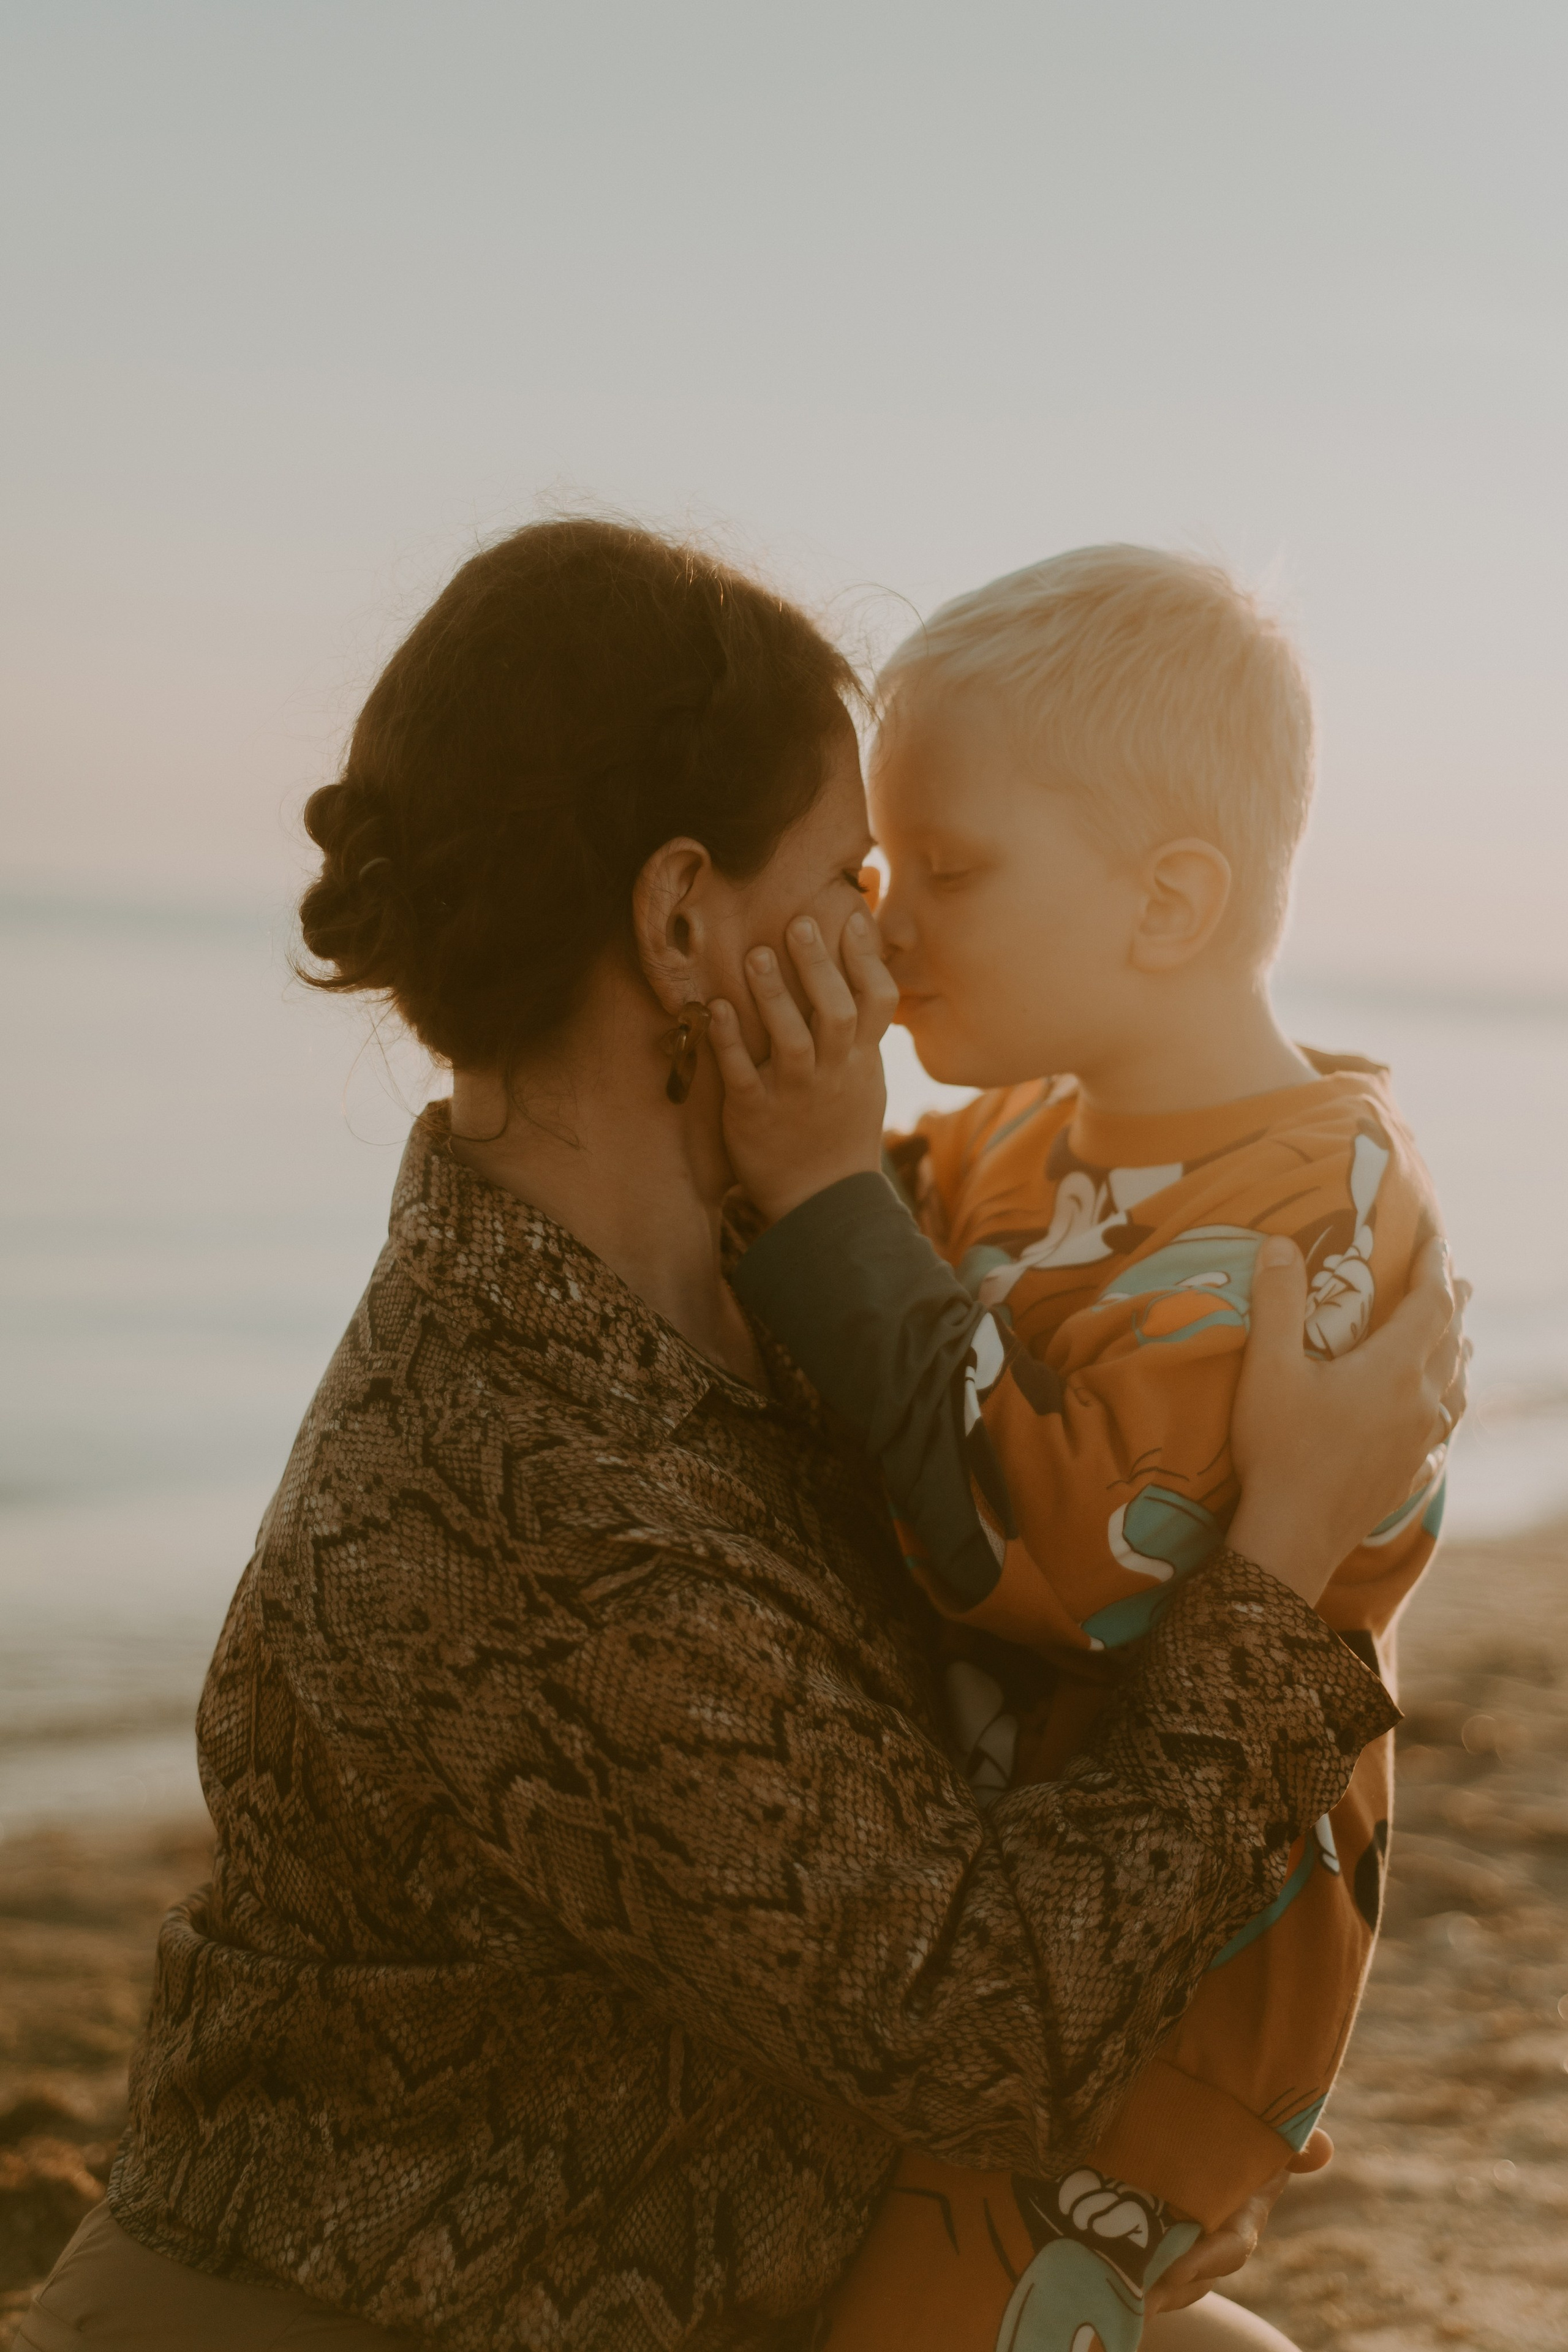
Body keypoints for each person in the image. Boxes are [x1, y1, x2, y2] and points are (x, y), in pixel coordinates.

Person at [20, 522, 1463, 2352]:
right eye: (858, 870)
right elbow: (994, 2036)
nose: (888, 932)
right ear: (685, 918)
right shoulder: (541, 1491)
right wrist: (1297, 1547)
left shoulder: (760, 1264)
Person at [711, 546, 1452, 2352]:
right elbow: (885, 1326)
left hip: (1167, 1997)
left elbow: (1075, 1561)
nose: (893, 930)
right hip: (1013, 1921)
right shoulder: (1030, 1136)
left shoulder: (1310, 1231)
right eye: (888, 872)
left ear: (1171, 902)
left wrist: (817, 1182)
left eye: (952, 875)